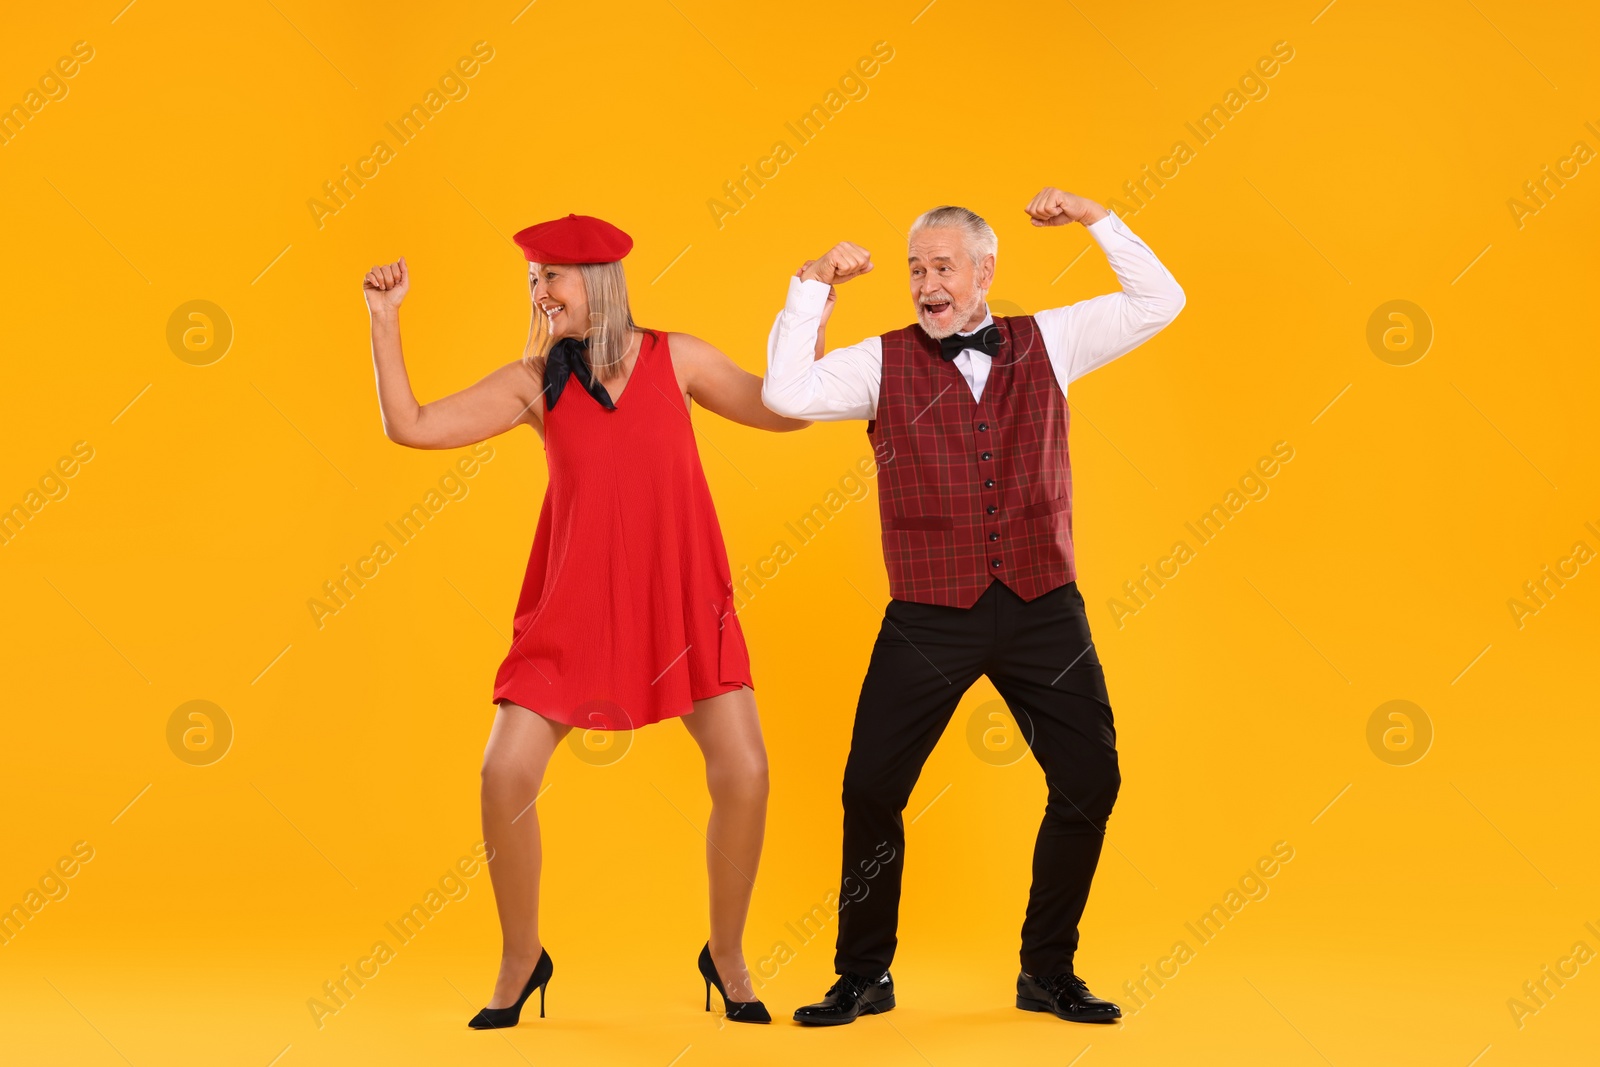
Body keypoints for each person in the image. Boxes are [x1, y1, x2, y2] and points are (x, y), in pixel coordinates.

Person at [363, 213, 808, 1028]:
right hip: (573, 612)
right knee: (504, 774)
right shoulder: (536, 381)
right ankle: (521, 957)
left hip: (678, 606)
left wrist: (814, 302)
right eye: (533, 279)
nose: (539, 293)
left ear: (597, 282)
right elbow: (412, 425)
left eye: (552, 278)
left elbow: (788, 411)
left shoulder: (681, 360)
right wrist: (383, 323)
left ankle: (729, 954)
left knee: (745, 771)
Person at [762, 187, 1186, 1025]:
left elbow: (1160, 301)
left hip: (1042, 605)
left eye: (943, 266)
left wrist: (1097, 219)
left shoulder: (1052, 339)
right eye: (916, 268)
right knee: (871, 788)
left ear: (986, 271)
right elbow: (785, 394)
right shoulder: (881, 362)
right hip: (929, 611)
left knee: (1090, 779)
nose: (926, 282)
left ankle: (1047, 968)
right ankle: (863, 974)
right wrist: (813, 286)